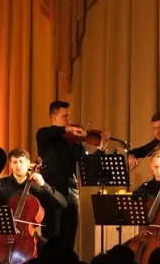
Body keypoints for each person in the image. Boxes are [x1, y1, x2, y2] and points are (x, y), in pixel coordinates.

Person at [35, 100, 108, 250]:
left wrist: (100, 149)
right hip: (52, 193)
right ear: (54, 117)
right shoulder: (44, 135)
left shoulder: (73, 140)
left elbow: (86, 163)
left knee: (69, 239)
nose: (69, 120)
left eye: (69, 116)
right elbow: (49, 133)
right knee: (51, 239)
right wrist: (67, 129)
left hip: (71, 194)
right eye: (65, 116)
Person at [0, 148, 67, 252]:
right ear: (10, 165)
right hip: (2, 235)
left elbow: (63, 203)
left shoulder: (37, 187)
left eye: (21, 161)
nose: (18, 165)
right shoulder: (0, 185)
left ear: (28, 163)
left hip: (27, 236)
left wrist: (44, 185)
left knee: (51, 250)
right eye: (15, 162)